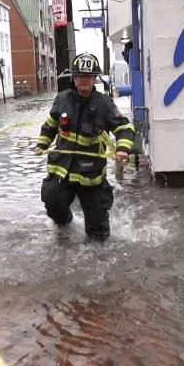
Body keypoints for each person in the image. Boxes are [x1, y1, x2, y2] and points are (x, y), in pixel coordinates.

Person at [34, 52, 135, 241]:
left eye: (88, 76)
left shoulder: (104, 104)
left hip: (91, 176)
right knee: (53, 202)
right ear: (74, 77)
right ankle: (66, 228)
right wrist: (42, 143)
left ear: (95, 78)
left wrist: (122, 149)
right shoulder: (62, 99)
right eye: (80, 76)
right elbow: (50, 125)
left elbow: (124, 127)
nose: (84, 81)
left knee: (98, 234)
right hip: (62, 170)